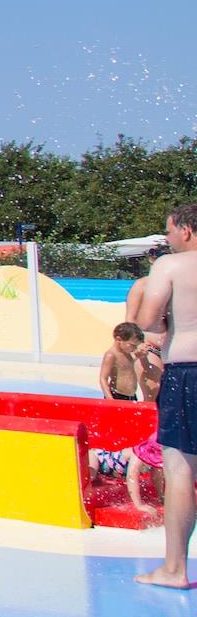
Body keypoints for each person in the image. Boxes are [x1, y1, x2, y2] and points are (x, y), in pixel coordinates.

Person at [133, 202, 197, 589]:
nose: (168, 238)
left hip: (188, 372)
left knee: (180, 470)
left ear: (186, 230)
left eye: (169, 231)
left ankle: (174, 569)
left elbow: (147, 319)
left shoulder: (170, 265)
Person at [95, 434, 166, 521]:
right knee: (91, 477)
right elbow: (131, 478)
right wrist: (139, 505)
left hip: (109, 472)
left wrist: (161, 497)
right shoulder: (138, 454)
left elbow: (157, 479)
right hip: (98, 458)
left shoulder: (155, 459)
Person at [101, 322, 152, 401]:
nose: (135, 348)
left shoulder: (127, 353)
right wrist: (110, 399)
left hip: (131, 396)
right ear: (118, 340)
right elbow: (103, 378)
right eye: (133, 345)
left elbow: (126, 365)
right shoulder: (111, 355)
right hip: (117, 396)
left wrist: (138, 355)